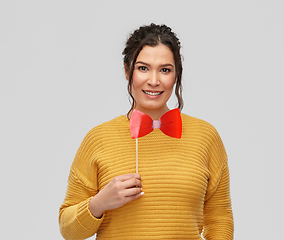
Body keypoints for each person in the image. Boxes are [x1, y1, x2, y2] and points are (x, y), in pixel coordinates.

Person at [59, 23, 234, 240]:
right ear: (127, 70)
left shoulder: (205, 137)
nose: (154, 80)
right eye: (143, 68)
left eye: (165, 70)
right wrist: (99, 203)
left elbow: (220, 219)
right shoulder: (98, 139)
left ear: (176, 74)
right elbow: (68, 230)